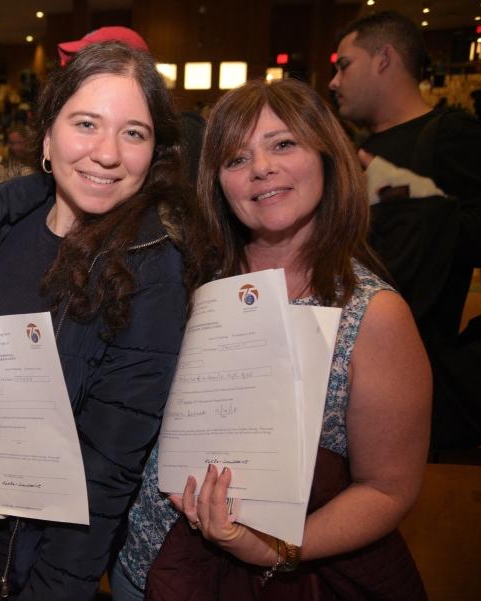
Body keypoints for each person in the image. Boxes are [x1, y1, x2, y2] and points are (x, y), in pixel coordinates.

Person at [116, 78, 431, 601]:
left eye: (283, 144)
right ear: (218, 182)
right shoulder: (188, 282)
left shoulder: (372, 315)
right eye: (236, 159)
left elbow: (387, 489)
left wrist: (277, 548)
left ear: (327, 157)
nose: (261, 167)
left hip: (274, 580)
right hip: (143, 569)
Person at [0, 42, 199, 601]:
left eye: (133, 132)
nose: (107, 153)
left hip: (35, 558)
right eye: (86, 123)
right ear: (47, 135)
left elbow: (111, 469)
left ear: (155, 150)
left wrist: (56, 589)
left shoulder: (153, 268)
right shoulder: (2, 224)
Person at [329, 10, 481, 450]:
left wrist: (417, 205)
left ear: (384, 58)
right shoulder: (357, 149)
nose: (334, 81)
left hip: (410, 377)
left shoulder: (450, 136)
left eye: (344, 65)